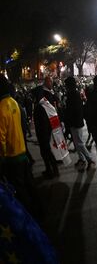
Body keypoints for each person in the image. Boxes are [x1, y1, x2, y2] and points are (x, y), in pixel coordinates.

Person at [0, 75, 36, 212]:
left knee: (19, 188)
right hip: (22, 151)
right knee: (29, 184)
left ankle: (28, 215)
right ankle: (37, 209)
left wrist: (2, 157)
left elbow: (1, 138)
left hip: (12, 156)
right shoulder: (13, 102)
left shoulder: (1, 108)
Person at [64, 77, 96, 172]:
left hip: (76, 122)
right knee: (77, 143)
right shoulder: (73, 94)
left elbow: (76, 110)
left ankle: (90, 160)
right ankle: (82, 159)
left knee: (80, 143)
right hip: (75, 122)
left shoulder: (73, 94)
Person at [32, 76, 59, 179]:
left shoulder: (48, 95)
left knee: (46, 149)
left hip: (45, 126)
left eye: (51, 82)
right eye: (49, 82)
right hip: (42, 125)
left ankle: (53, 169)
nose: (51, 84)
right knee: (44, 149)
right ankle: (49, 168)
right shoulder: (44, 94)